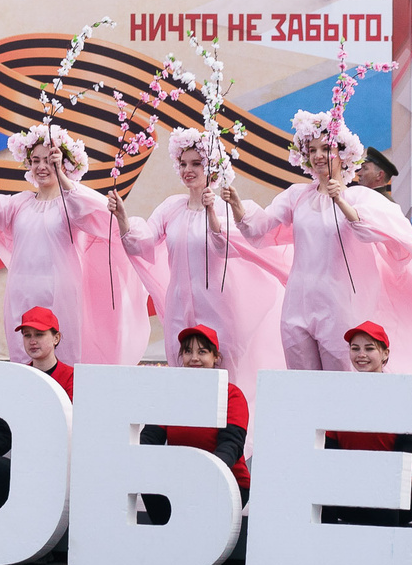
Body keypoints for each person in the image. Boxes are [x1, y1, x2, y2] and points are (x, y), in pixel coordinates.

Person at [229, 111, 412, 435]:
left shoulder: (361, 197)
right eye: (312, 150)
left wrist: (341, 201)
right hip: (298, 305)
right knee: (302, 389)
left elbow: (379, 232)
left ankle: (345, 449)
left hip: (342, 306)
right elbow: (258, 229)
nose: (318, 156)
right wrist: (236, 204)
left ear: (343, 154)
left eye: (325, 149)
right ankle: (308, 453)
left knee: (343, 389)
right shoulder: (297, 196)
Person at [0, 123, 135, 368]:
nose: (41, 166)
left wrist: (63, 177)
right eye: (35, 161)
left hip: (60, 293)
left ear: (65, 164)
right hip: (22, 290)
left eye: (49, 160)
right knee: (24, 354)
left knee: (62, 357)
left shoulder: (71, 202)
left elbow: (92, 210)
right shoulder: (20, 203)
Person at [113, 130, 291, 386]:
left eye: (196, 163)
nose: (188, 170)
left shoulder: (224, 208)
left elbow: (223, 246)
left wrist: (211, 213)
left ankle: (231, 412)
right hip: (178, 303)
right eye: (183, 163)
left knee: (224, 369)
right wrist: (122, 218)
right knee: (181, 364)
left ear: (211, 167)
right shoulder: (171, 207)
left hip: (218, 303)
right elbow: (143, 244)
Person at [138, 324, 252, 524]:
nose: (194, 358)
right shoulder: (170, 395)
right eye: (188, 351)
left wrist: (201, 475)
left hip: (224, 481)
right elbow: (149, 438)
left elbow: (231, 445)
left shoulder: (232, 394)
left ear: (215, 357)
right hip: (179, 480)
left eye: (202, 352)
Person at [319, 321, 412, 527]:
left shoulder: (402, 395)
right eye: (355, 348)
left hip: (401, 492)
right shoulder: (340, 397)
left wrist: (375, 474)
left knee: (383, 485)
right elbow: (329, 449)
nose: (361, 354)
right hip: (351, 489)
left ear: (385, 354)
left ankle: (387, 548)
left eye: (369, 348)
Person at [0, 308, 77, 511]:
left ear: (56, 338)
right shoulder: (16, 379)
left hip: (64, 470)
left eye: (39, 335)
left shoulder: (72, 377)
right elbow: (1, 435)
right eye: (27, 335)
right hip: (26, 468)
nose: (32, 341)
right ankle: (12, 524)